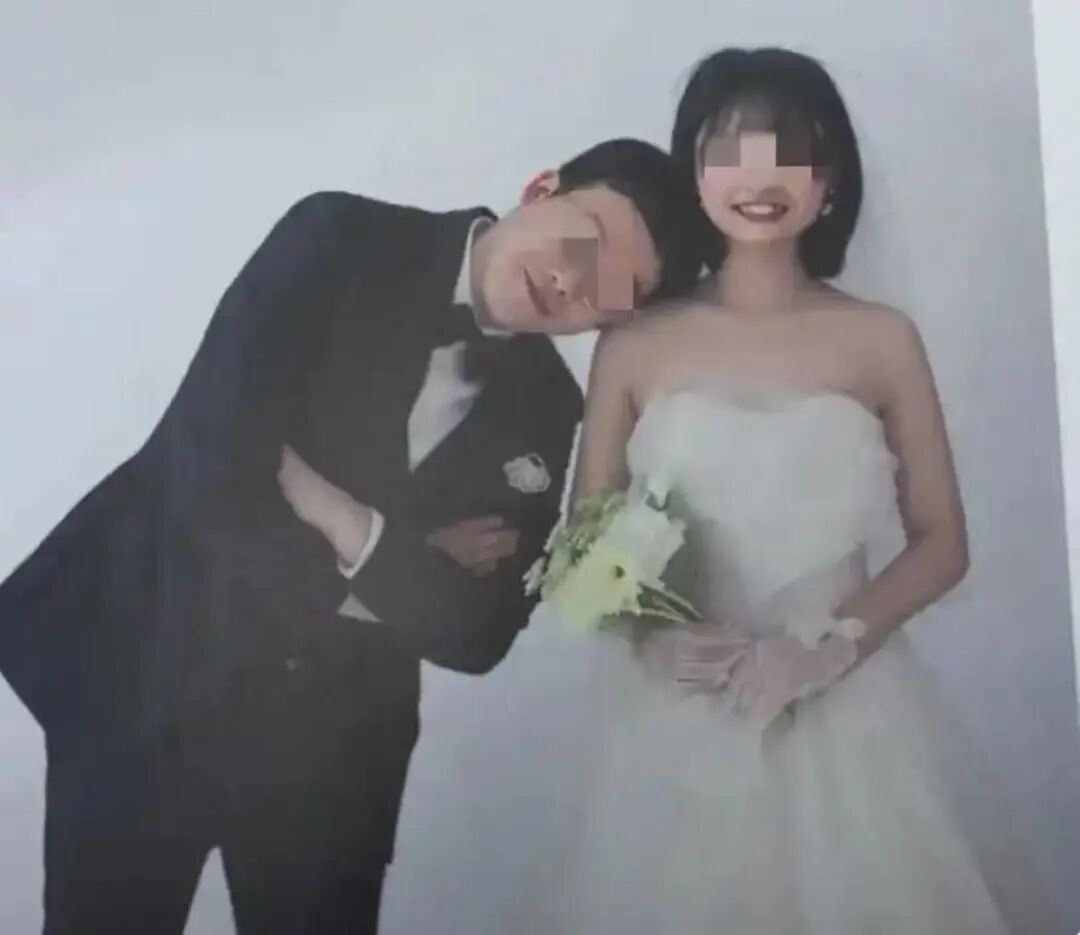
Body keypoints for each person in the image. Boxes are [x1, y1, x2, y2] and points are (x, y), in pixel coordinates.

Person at [0, 138, 704, 934]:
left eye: (614, 292)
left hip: (337, 743)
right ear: (543, 188)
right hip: (154, 670)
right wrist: (405, 566)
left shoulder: (548, 405)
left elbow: (479, 631)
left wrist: (335, 511)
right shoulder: (336, 239)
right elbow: (206, 472)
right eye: (589, 238)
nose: (577, 283)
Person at [547, 48, 1056, 933]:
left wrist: (829, 645)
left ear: (829, 182)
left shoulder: (882, 339)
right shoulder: (634, 343)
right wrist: (651, 639)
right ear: (692, 171)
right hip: (685, 712)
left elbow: (942, 540)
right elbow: (582, 539)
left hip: (851, 706)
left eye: (790, 152)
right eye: (729, 152)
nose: (760, 179)